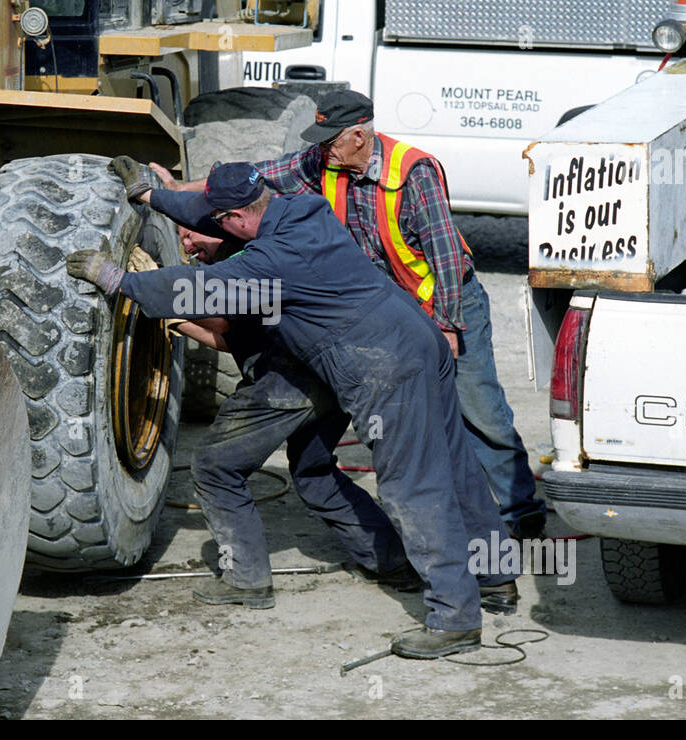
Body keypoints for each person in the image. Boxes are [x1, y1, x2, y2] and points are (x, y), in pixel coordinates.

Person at [67, 162, 517, 659]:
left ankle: (455, 618)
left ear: (236, 217)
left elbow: (189, 290)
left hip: (385, 369)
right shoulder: (303, 210)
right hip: (418, 338)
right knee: (456, 469)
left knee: (415, 486)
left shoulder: (271, 261)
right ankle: (496, 577)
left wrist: (117, 280)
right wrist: (151, 197)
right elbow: (205, 210)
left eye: (218, 221)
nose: (204, 231)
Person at [150, 90, 546, 540]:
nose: (322, 150)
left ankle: (522, 513)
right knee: (417, 420)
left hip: (444, 300)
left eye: (330, 141)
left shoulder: (414, 172)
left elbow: (447, 259)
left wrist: (449, 326)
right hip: (390, 310)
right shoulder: (324, 162)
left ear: (359, 135)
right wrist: (181, 190)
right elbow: (260, 178)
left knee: (479, 411)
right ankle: (447, 522)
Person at [159, 216, 417, 610]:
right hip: (332, 374)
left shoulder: (246, 263)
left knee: (215, 467)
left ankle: (246, 580)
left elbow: (227, 329)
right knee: (312, 471)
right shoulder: (274, 249)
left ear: (220, 225)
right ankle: (391, 561)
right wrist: (179, 322)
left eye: (190, 235)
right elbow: (234, 337)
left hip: (288, 379)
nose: (188, 246)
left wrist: (161, 300)